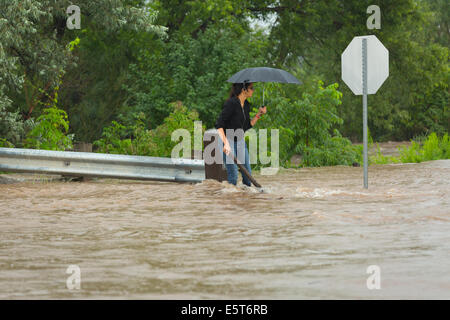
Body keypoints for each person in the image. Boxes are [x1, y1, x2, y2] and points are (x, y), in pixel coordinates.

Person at [215, 81, 267, 186]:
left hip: (240, 142)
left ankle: (244, 200)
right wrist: (226, 144)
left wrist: (258, 114)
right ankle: (230, 199)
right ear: (244, 89)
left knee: (248, 178)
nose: (253, 90)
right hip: (228, 141)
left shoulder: (246, 105)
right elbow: (219, 125)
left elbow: (247, 125)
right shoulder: (231, 103)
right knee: (233, 176)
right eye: (251, 88)